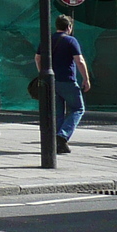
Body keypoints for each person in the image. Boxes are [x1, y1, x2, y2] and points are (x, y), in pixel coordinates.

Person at [35, 14, 91, 155]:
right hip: (67, 80)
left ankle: (57, 143)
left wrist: (42, 73)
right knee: (78, 108)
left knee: (57, 113)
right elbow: (79, 60)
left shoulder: (46, 40)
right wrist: (86, 79)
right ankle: (63, 135)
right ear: (69, 27)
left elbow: (37, 57)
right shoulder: (71, 41)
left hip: (51, 82)